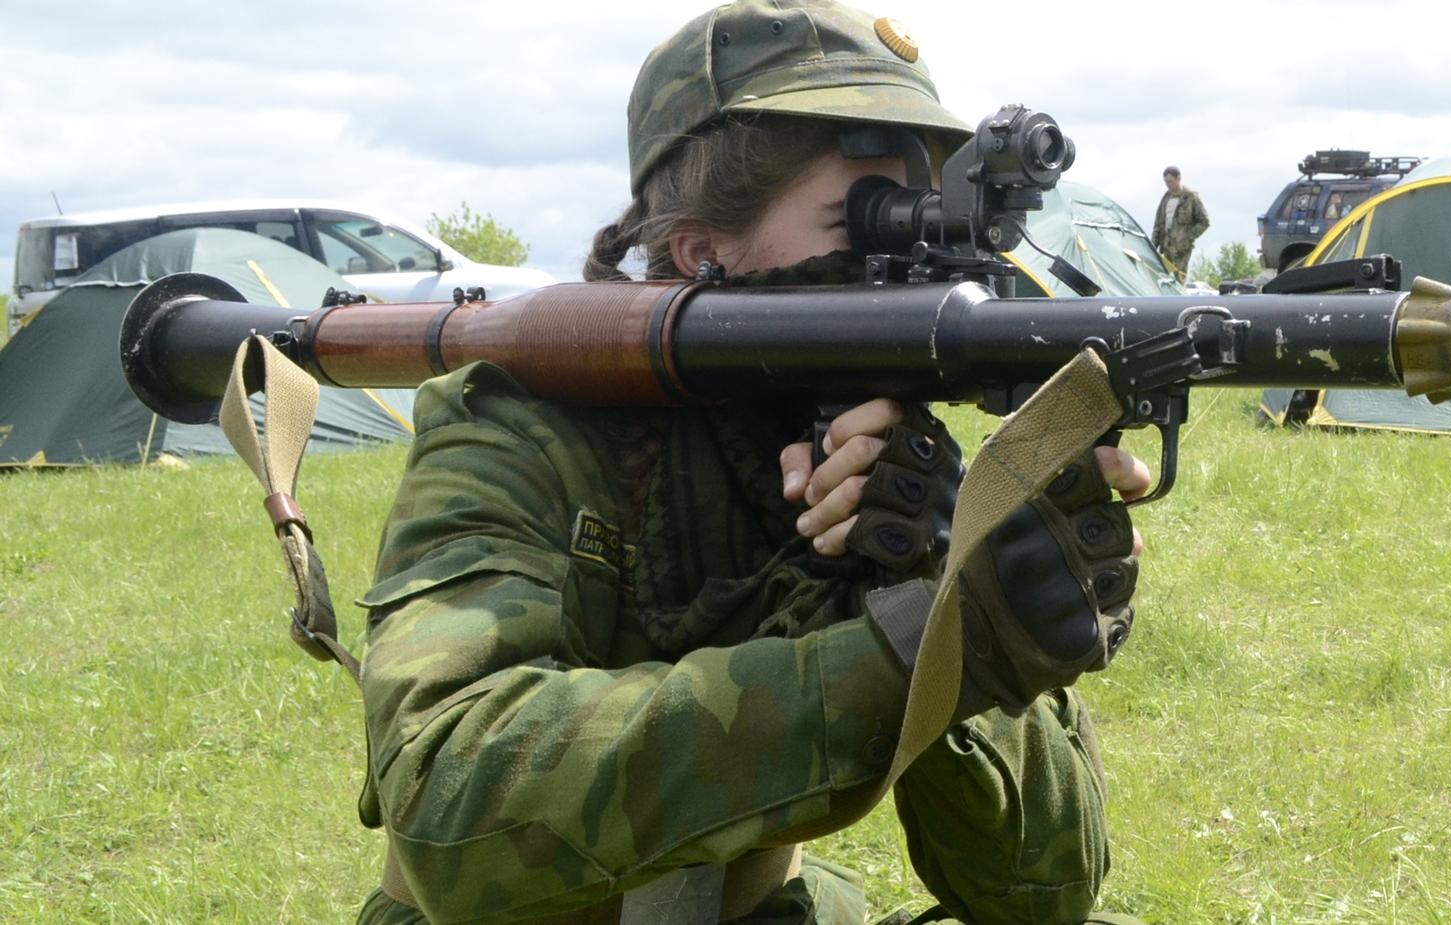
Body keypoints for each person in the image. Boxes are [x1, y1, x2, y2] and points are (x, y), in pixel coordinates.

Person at [352, 3, 1149, 923]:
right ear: (703, 253)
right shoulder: (520, 428)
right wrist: (899, 656)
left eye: (929, 219)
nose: (914, 264)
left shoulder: (873, 438)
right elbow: (449, 795)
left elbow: (1038, 894)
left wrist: (947, 587)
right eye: (868, 219)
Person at [1152, 166, 1209, 283]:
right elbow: (1158, 225)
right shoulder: (1166, 198)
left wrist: (1188, 238)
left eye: (1170, 181)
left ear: (1178, 178)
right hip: (1166, 248)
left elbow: (1204, 222)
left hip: (1182, 250)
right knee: (1162, 281)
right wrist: (1152, 246)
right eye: (1166, 182)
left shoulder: (1191, 197)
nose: (1168, 185)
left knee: (1178, 281)